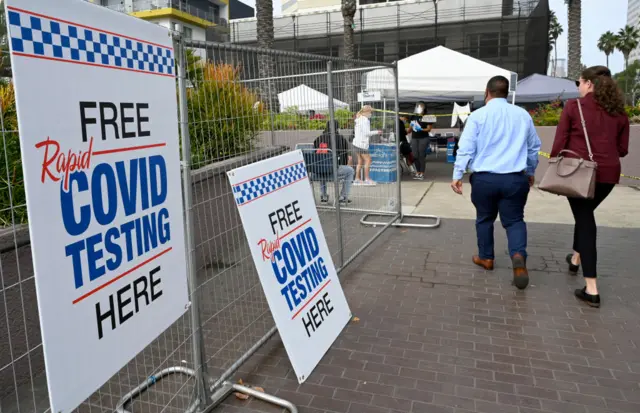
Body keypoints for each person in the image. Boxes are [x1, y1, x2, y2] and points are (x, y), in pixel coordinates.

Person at [451, 75, 541, 290]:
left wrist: (457, 174)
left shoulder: (477, 116)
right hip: (514, 178)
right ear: (507, 92)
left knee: (484, 219)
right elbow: (533, 148)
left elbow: (466, 148)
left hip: (485, 179)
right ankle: (518, 255)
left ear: (486, 92)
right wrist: (530, 171)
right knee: (514, 221)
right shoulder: (522, 115)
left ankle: (486, 258)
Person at [550, 66, 629, 307]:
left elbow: (560, 141)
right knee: (585, 214)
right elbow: (623, 150)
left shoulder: (574, 107)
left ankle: (591, 288)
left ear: (590, 84)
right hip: (609, 175)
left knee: (585, 221)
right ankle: (575, 260)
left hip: (579, 172)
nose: (578, 86)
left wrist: (554, 162)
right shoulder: (619, 112)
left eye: (579, 82)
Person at [313, 120, 355, 204]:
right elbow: (344, 159)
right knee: (350, 171)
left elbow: (315, 156)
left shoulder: (318, 139)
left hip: (317, 172)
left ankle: (324, 196)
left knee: (322, 166)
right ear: (337, 128)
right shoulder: (341, 139)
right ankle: (343, 197)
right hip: (333, 171)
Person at [352, 105, 381, 185]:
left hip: (356, 143)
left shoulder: (359, 119)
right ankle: (367, 179)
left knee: (360, 161)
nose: (371, 113)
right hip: (362, 144)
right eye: (371, 112)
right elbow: (366, 133)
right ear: (366, 112)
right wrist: (377, 132)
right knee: (368, 160)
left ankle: (357, 179)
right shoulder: (365, 120)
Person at [409, 101, 434, 180]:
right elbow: (410, 127)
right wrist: (406, 131)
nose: (419, 108)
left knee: (421, 156)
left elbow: (429, 129)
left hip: (423, 138)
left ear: (424, 108)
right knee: (415, 155)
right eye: (418, 106)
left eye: (421, 106)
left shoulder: (428, 116)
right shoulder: (413, 116)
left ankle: (422, 173)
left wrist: (421, 129)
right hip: (414, 137)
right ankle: (417, 172)